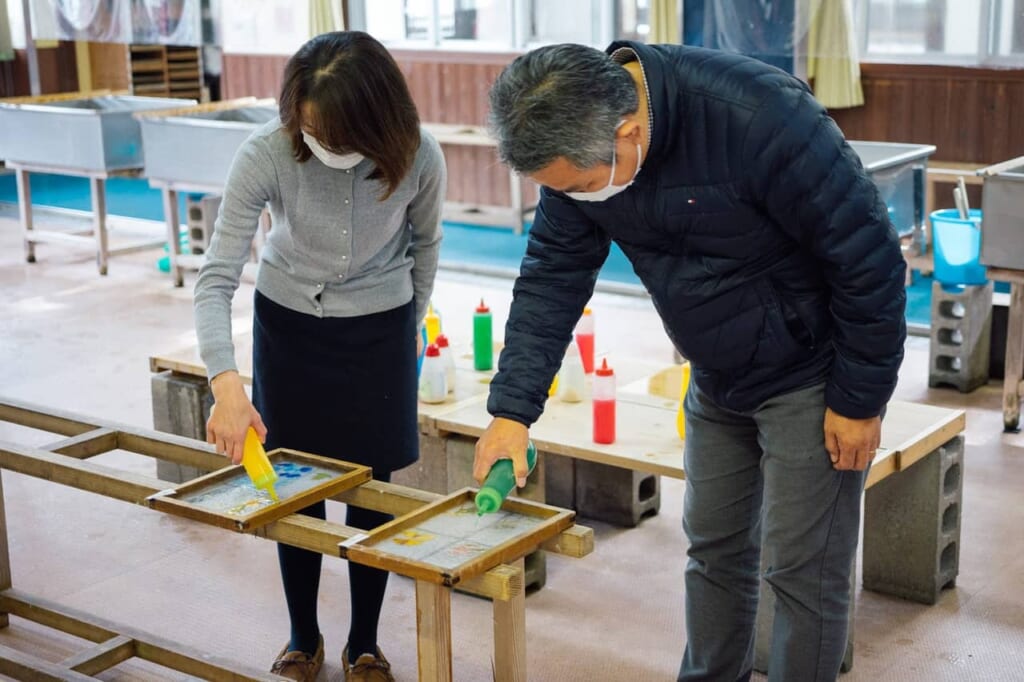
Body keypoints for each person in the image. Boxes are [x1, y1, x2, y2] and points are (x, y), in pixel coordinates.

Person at [473, 41, 905, 682]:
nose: (579, 199)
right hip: (716, 372)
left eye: (584, 186)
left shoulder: (759, 116)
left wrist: (859, 399)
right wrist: (512, 412)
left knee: (802, 571)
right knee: (714, 552)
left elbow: (868, 256)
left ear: (629, 132)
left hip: (812, 373)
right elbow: (551, 277)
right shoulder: (579, 155)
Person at [195, 31, 445, 682]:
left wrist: (400, 338)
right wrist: (225, 382)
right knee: (294, 487)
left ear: (377, 120)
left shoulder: (420, 156)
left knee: (371, 490)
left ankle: (365, 642)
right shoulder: (266, 154)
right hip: (289, 331)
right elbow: (216, 277)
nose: (325, 147)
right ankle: (302, 636)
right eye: (312, 131)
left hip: (380, 333)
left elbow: (427, 251)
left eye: (340, 136)